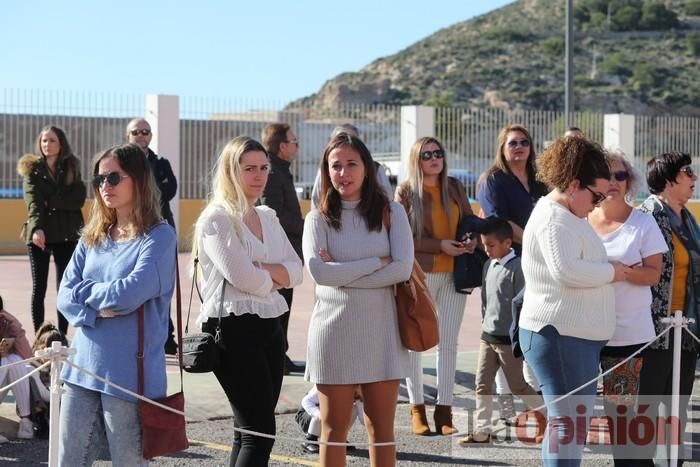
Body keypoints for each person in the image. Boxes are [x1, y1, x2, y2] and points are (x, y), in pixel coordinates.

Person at [57, 143, 176, 465]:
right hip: (81, 368)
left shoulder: (159, 237)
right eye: (99, 180)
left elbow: (129, 294)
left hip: (128, 376)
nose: (104, 187)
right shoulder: (92, 236)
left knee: (128, 461)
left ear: (138, 179)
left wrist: (86, 294)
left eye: (113, 178)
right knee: (69, 459)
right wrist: (95, 308)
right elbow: (64, 295)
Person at [303, 133, 413, 467]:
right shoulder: (316, 219)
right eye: (335, 166)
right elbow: (320, 274)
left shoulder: (392, 212)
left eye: (351, 164)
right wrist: (375, 264)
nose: (343, 172)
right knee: (334, 430)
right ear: (326, 171)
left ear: (367, 167)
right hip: (332, 335)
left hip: (381, 334)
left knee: (380, 429)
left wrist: (343, 272)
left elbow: (402, 269)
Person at [519, 136, 630, 466]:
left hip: (568, 338)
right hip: (560, 337)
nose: (597, 204)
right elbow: (567, 271)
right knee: (568, 428)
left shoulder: (563, 216)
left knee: (566, 427)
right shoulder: (555, 219)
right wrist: (612, 272)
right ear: (572, 184)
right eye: (595, 196)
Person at [193, 136, 303, 466]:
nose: (258, 175)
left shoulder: (268, 216)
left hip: (271, 325)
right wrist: (273, 277)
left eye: (263, 168)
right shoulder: (217, 219)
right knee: (260, 431)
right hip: (232, 328)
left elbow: (297, 272)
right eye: (248, 169)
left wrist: (263, 270)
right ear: (230, 171)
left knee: (249, 430)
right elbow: (244, 278)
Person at [588, 151, 667, 466]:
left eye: (620, 176)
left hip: (627, 340)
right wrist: (619, 270)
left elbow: (653, 275)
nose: (613, 183)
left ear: (629, 181)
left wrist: (619, 270)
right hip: (585, 333)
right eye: (607, 176)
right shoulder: (581, 221)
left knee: (625, 423)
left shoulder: (643, 223)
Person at [395, 136, 476, 436]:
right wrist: (440, 245)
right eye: (426, 154)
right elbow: (401, 237)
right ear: (416, 160)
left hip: (456, 274)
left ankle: (445, 410)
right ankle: (417, 408)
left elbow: (468, 220)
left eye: (438, 153)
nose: (434, 158)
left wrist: (471, 240)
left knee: (449, 343)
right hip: (422, 275)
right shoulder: (405, 191)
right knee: (417, 342)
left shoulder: (454, 186)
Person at [477, 124, 547, 420]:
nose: (518, 147)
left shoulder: (540, 180)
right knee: (505, 335)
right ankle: (506, 409)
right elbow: (499, 222)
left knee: (531, 330)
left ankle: (537, 397)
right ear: (502, 149)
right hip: (509, 264)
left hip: (539, 263)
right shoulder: (493, 180)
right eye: (512, 143)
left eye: (523, 142)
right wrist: (533, 240)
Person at [637, 151, 700, 466]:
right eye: (687, 172)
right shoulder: (647, 215)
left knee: (677, 406)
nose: (694, 178)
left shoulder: (688, 220)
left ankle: (670, 462)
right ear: (668, 179)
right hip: (651, 331)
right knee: (647, 407)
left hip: (686, 329)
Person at [459, 217, 543, 444]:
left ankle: (548, 416)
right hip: (487, 337)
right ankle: (482, 430)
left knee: (517, 385)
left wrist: (518, 336)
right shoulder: (488, 265)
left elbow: (522, 304)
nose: (486, 250)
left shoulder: (519, 268)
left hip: (507, 341)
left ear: (508, 243)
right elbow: (486, 301)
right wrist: (485, 324)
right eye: (484, 246)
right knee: (482, 383)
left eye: (491, 246)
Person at [17, 126, 86, 335]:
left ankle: (61, 336)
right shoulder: (32, 169)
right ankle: (40, 336)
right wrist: (37, 227)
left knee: (64, 287)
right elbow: (33, 201)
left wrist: (52, 202)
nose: (47, 144)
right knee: (39, 289)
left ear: (61, 143)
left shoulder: (72, 166)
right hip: (41, 234)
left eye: (52, 140)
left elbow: (78, 199)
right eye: (44, 140)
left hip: (67, 234)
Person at [126, 118, 179, 354]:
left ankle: (167, 337)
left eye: (145, 131)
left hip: (159, 226)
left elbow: (170, 189)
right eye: (136, 132)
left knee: (162, 284)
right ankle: (136, 335)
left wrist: (147, 193)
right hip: (133, 229)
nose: (141, 135)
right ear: (128, 135)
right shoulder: (122, 163)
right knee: (135, 283)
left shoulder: (161, 163)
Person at [260, 123, 306, 375]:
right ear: (282, 146)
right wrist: (303, 225)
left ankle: (280, 354)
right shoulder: (273, 173)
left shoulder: (281, 170)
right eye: (294, 140)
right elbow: (273, 212)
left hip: (286, 250)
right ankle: (276, 356)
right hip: (279, 253)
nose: (297, 145)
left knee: (283, 306)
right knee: (279, 306)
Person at [310, 124, 393, 208]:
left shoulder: (376, 168)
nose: (346, 143)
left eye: (352, 139)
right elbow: (317, 200)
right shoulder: (325, 170)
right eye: (340, 140)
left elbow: (388, 198)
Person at [0, 295, 34, 440]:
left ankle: (25, 420)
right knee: (7, 362)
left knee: (15, 360)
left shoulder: (5, 324)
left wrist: (15, 325)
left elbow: (27, 357)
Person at [294, 385, 364, 454]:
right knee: (326, 407)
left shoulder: (356, 393)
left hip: (328, 416)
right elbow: (306, 401)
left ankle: (338, 438)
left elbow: (363, 420)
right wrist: (320, 415)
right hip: (306, 416)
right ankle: (309, 440)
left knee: (353, 409)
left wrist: (360, 400)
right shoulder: (330, 382)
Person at [28, 322, 67, 439]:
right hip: (39, 406)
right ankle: (40, 421)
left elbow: (55, 395)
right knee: (28, 378)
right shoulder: (33, 365)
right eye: (44, 349)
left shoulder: (65, 365)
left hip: (58, 403)